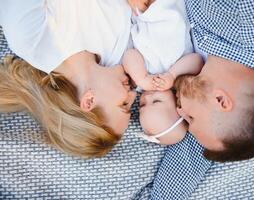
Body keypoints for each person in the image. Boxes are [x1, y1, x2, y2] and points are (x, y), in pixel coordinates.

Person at [0, 0, 137, 158]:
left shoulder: (31, 40)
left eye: (124, 105)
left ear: (89, 101)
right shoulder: (118, 54)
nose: (133, 94)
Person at [175, 0, 254, 162]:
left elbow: (191, 158)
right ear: (220, 101)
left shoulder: (245, 96)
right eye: (190, 118)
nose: (179, 112)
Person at [123, 0, 203, 144]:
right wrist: (172, 76)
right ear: (178, 104)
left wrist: (141, 78)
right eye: (156, 101)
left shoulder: (141, 81)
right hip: (167, 8)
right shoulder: (180, 80)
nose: (147, 97)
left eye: (142, 105)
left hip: (142, 13)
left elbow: (129, 55)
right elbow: (197, 60)